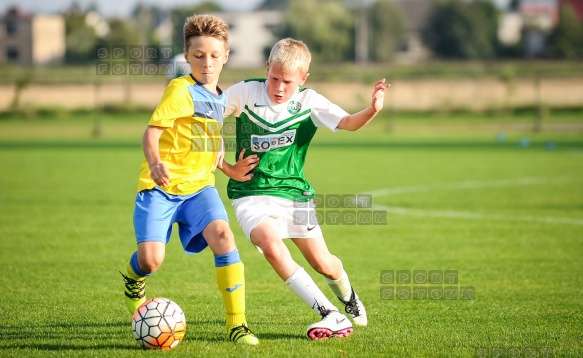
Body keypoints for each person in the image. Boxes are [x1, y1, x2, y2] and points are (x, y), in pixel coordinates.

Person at [218, 38, 390, 340]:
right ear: (267, 67)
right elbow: (207, 122)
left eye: (288, 82)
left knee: (324, 263)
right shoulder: (244, 92)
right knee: (270, 245)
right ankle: (329, 313)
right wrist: (227, 168)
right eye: (274, 78)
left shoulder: (309, 101)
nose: (280, 87)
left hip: (294, 195)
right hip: (251, 194)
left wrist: (372, 109)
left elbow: (348, 122)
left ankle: (348, 298)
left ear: (303, 79)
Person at [120, 14, 258, 346]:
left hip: (199, 188)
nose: (206, 63)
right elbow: (151, 133)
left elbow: (211, 139)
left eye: (214, 55)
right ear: (186, 55)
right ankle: (132, 278)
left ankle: (237, 325)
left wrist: (227, 168)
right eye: (198, 56)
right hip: (161, 188)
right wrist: (154, 163)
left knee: (224, 236)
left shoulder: (220, 97)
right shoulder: (180, 90)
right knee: (151, 261)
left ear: (225, 55)